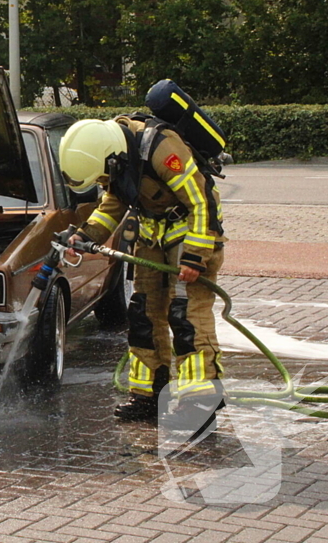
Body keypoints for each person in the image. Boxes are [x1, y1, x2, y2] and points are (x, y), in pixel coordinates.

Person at [58, 115, 227, 432]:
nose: (104, 179)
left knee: (186, 315)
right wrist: (85, 237)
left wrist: (196, 255)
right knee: (143, 316)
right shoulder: (117, 158)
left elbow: (201, 201)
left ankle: (200, 403)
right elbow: (115, 202)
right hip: (152, 237)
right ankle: (149, 395)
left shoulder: (162, 150)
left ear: (112, 155)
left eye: (103, 174)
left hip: (191, 234)